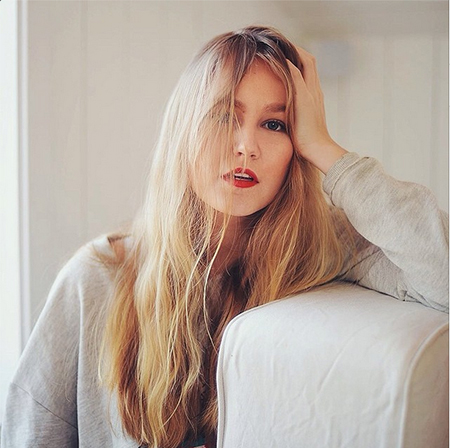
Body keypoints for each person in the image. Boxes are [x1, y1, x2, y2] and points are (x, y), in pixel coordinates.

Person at [1, 25, 448, 448]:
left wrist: (323, 147)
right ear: (184, 130)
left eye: (275, 124)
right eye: (223, 116)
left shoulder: (320, 251)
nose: (246, 146)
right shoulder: (96, 280)